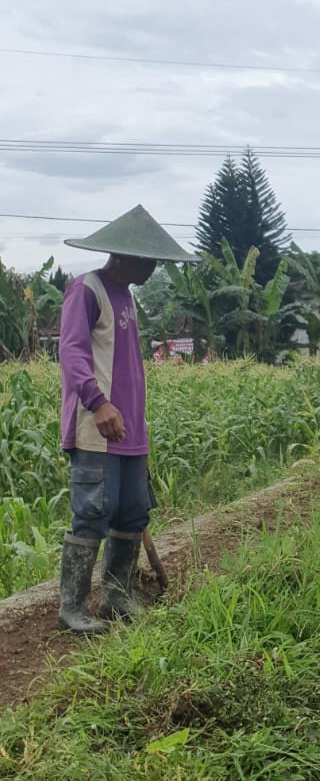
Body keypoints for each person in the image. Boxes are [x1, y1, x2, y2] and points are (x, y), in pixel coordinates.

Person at [56, 205, 197, 634]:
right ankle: (73, 608)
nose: (152, 268)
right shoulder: (87, 289)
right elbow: (72, 351)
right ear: (121, 254)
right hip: (96, 426)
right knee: (93, 511)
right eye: (146, 259)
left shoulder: (127, 297)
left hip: (131, 428)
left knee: (132, 512)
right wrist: (98, 403)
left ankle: (116, 596)